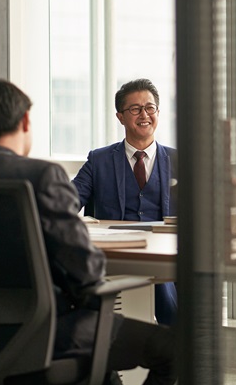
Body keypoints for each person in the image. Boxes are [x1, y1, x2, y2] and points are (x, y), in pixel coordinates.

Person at [0, 79, 176, 385]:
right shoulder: (42, 177)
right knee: (172, 350)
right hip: (44, 337)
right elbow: (87, 272)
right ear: (25, 120)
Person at [72, 78, 178, 326]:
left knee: (164, 285)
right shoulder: (98, 160)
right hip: (117, 256)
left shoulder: (179, 160)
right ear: (120, 116)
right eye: (135, 109)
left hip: (165, 257)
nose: (144, 114)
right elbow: (69, 200)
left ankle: (170, 349)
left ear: (158, 113)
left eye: (150, 108)